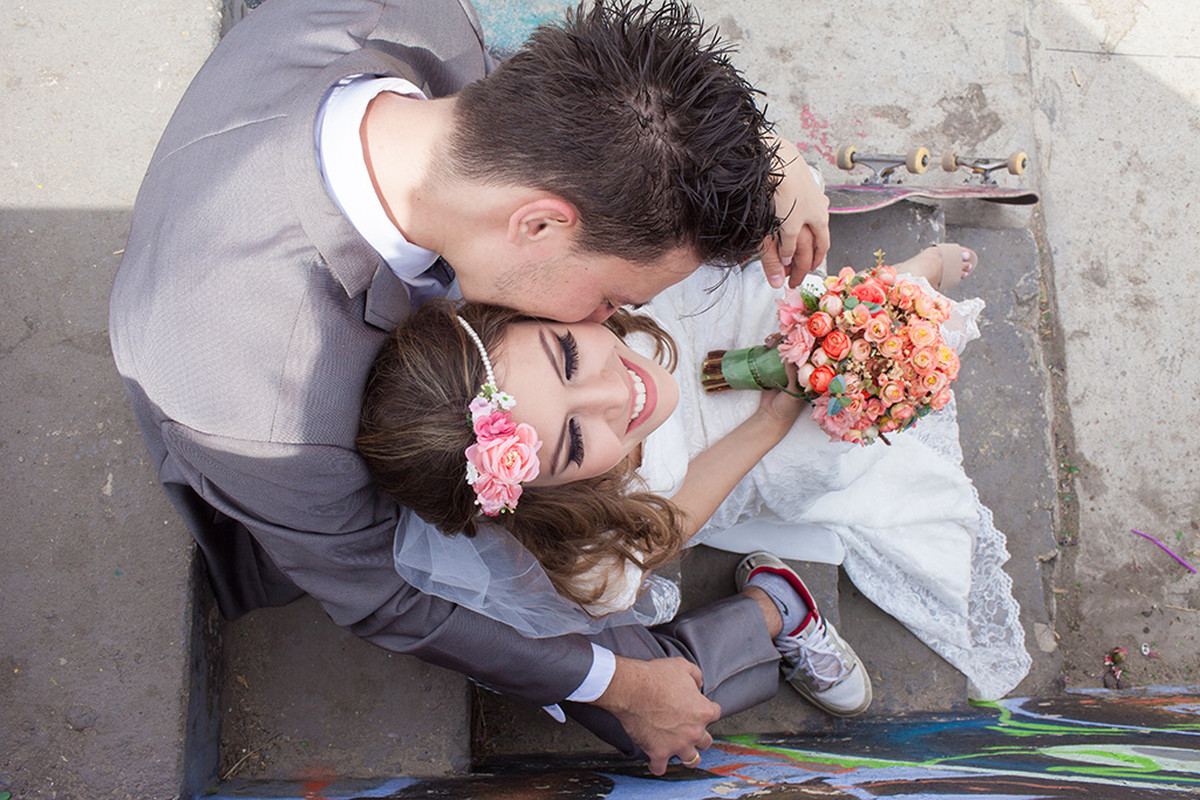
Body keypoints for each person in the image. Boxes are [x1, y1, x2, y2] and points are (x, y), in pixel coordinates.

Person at [108, 0, 833, 773]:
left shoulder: (419, 19)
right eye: (614, 302)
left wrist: (764, 160)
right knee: (643, 701)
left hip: (488, 374)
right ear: (539, 225)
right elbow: (380, 596)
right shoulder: (265, 411)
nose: (614, 324)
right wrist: (617, 681)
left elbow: (627, 115)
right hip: (372, 474)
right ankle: (763, 619)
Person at [359, 243, 1032, 703]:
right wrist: (767, 425)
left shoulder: (597, 300)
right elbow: (669, 523)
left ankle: (900, 286)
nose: (617, 396)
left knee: (812, 313)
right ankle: (900, 309)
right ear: (537, 492)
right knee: (826, 433)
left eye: (567, 356)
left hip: (703, 329)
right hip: (739, 450)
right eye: (572, 439)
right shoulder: (586, 557)